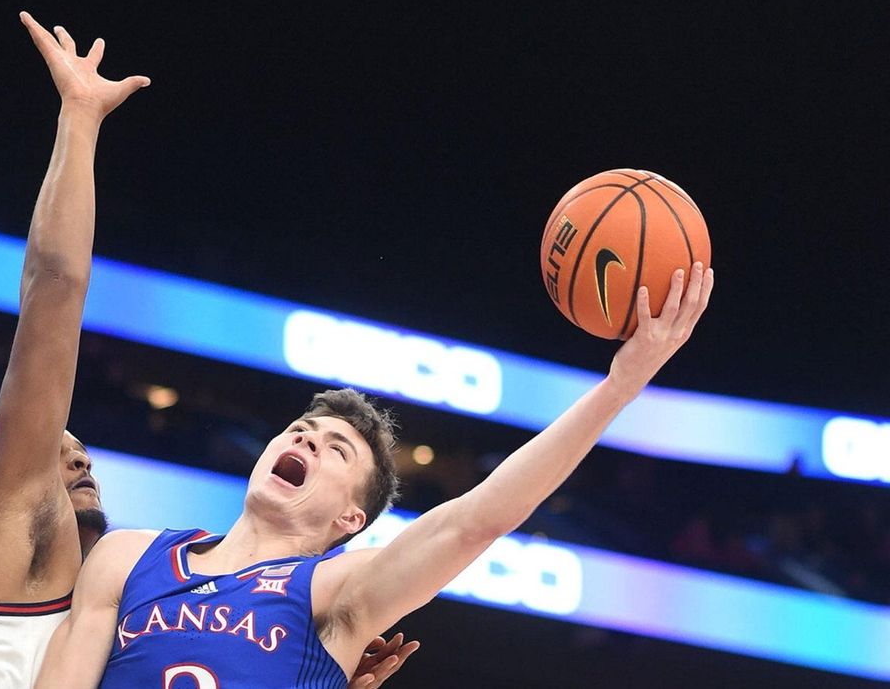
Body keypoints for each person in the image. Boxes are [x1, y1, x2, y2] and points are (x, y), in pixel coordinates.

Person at [0, 12, 417, 689]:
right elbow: (55, 289)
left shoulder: (119, 600)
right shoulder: (17, 532)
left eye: (81, 454)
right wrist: (80, 119)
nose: (79, 459)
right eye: (58, 454)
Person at [36, 264, 715, 688]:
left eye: (337, 449)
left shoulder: (337, 591)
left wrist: (619, 389)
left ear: (349, 520)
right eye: (302, 429)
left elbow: (476, 518)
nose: (307, 437)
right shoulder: (131, 556)